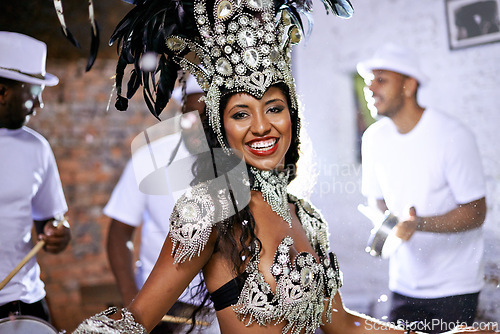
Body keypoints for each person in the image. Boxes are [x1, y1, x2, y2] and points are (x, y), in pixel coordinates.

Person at [73, 0, 495, 333]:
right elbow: (137, 319)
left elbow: (344, 326)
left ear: (292, 114)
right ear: (221, 128)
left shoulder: (305, 217)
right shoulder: (210, 211)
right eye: (241, 113)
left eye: (273, 107)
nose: (261, 126)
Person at [358, 43, 488, 333]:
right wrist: (390, 224)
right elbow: (378, 200)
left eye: (381, 79)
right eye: (369, 80)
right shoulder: (373, 138)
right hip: (403, 283)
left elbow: (476, 212)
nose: (370, 87)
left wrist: (418, 224)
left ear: (409, 84)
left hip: (455, 287)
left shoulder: (452, 135)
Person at [105, 75, 220, 333]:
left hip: (223, 309)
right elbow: (118, 234)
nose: (200, 125)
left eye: (209, 115)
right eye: (192, 114)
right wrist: (132, 301)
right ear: (181, 113)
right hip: (163, 308)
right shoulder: (150, 158)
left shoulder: (238, 164)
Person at [0, 31, 71, 323]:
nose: (40, 104)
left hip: (23, 300)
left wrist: (59, 231)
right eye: (33, 92)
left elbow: (50, 219)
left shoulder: (36, 147)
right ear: (2, 91)